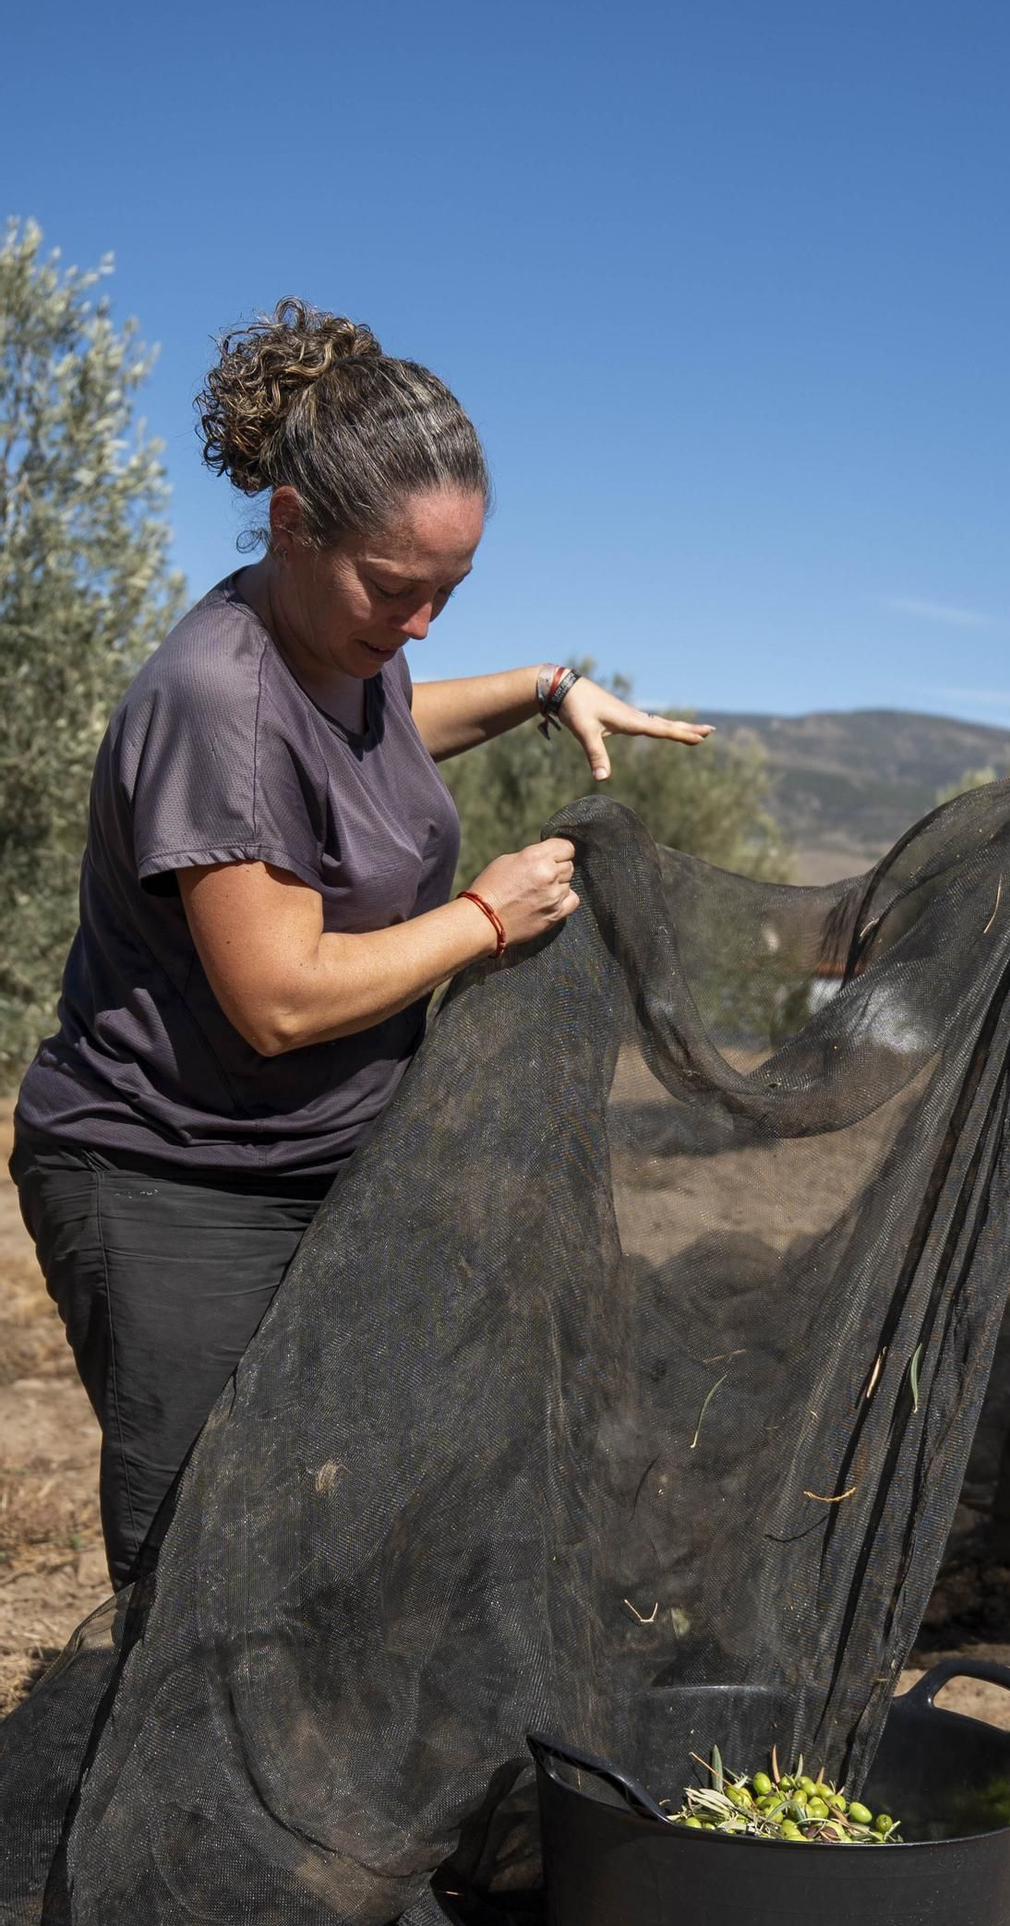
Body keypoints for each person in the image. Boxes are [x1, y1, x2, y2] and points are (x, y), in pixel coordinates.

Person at [9, 300, 711, 1591]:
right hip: (168, 1179)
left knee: (341, 1528)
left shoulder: (344, 640)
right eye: (401, 589)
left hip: (315, 1166)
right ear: (291, 525)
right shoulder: (218, 697)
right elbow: (276, 997)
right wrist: (483, 918)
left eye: (454, 589)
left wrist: (548, 690)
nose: (425, 623)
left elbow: (386, 717)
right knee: (211, 1562)